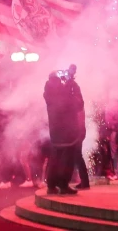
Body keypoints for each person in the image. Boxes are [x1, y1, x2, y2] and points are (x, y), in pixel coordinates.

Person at [43, 67, 83, 195]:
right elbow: (77, 104)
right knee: (67, 159)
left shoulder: (48, 92)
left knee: (55, 158)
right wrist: (72, 83)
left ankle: (51, 185)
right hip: (67, 131)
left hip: (55, 132)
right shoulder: (61, 93)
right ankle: (63, 185)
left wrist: (69, 83)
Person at [66, 64, 90, 190]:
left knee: (76, 155)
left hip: (76, 131)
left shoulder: (76, 100)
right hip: (77, 130)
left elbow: (79, 114)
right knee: (76, 155)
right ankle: (84, 181)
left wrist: (80, 130)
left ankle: (84, 182)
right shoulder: (77, 98)